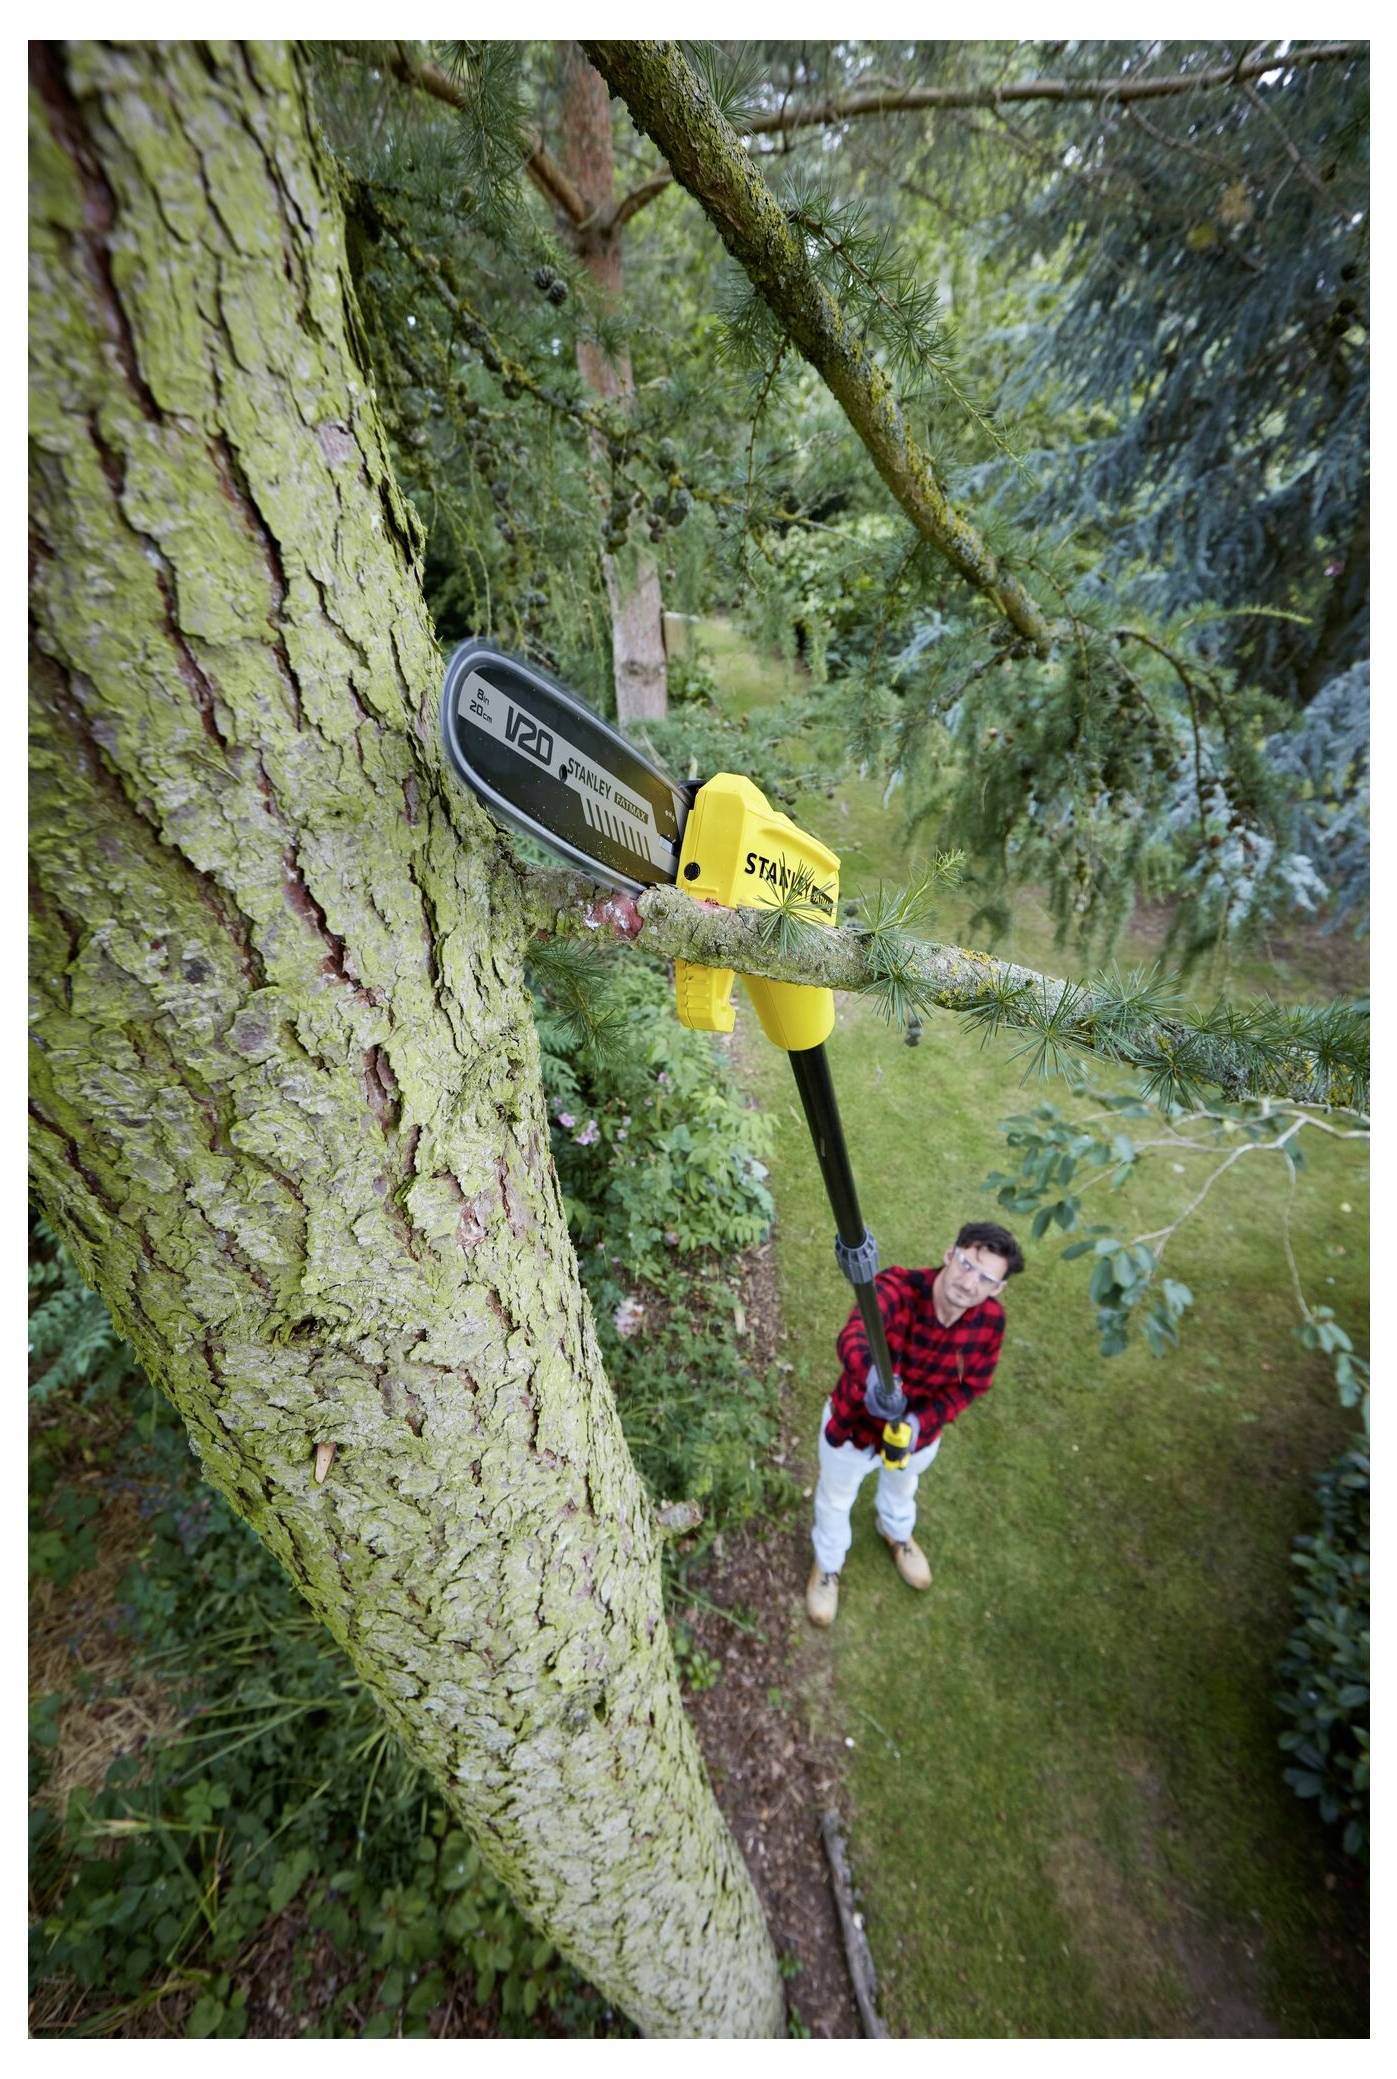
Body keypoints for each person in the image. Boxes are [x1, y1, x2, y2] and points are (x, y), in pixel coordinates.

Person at [805, 1221, 1024, 1627]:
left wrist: (919, 1424)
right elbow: (854, 1334)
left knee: (903, 1488)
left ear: (997, 1289)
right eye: (967, 1263)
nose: (969, 1282)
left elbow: (972, 1386)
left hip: (915, 1439)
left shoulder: (990, 1323)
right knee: (835, 1500)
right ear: (949, 1254)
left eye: (986, 1278)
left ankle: (896, 1533)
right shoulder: (898, 1287)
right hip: (853, 1426)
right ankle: (828, 1564)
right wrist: (871, 1376)